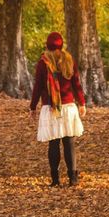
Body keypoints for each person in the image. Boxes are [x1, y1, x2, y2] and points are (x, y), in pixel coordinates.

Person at [29, 31, 86, 187]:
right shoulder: (69, 60)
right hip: (68, 108)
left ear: (47, 46)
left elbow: (38, 86)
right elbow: (76, 84)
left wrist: (33, 106)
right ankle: (72, 178)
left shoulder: (43, 62)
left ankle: (55, 179)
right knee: (69, 142)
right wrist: (82, 103)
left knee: (53, 144)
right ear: (61, 45)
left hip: (51, 107)